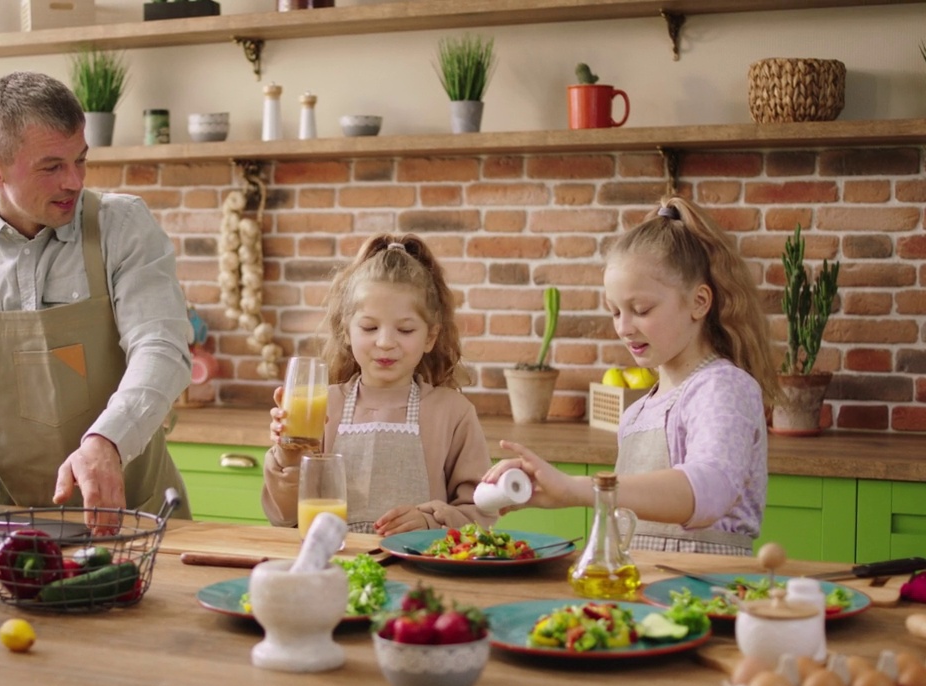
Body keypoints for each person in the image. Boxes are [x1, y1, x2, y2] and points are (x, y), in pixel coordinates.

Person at [0, 71, 192, 525]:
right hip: (7, 519)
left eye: (81, 161)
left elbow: (161, 348)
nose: (74, 181)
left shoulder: (123, 227)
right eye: (52, 167)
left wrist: (107, 441)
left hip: (135, 512)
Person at [483, 197, 778, 556]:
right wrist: (547, 488)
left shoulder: (721, 387)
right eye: (615, 311)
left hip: (705, 584)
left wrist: (578, 488)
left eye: (641, 310)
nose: (624, 327)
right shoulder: (639, 411)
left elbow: (711, 488)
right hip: (640, 578)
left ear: (700, 302)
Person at [262, 234, 495, 536]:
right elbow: (284, 519)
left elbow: (481, 512)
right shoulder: (322, 406)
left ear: (430, 337)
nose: (385, 342)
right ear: (346, 331)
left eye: (405, 329)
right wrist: (289, 456)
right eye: (370, 327)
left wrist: (430, 522)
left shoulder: (452, 412)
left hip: (418, 570)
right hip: (334, 566)